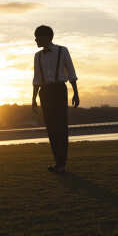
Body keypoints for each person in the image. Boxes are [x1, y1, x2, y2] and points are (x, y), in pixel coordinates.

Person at [31, 25, 79, 174]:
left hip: (59, 90)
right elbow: (37, 78)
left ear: (47, 37)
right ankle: (58, 163)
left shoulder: (62, 50)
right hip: (44, 92)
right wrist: (33, 99)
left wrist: (76, 93)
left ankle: (62, 163)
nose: (35, 40)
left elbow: (71, 72)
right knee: (51, 127)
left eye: (37, 37)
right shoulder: (37, 56)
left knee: (61, 126)